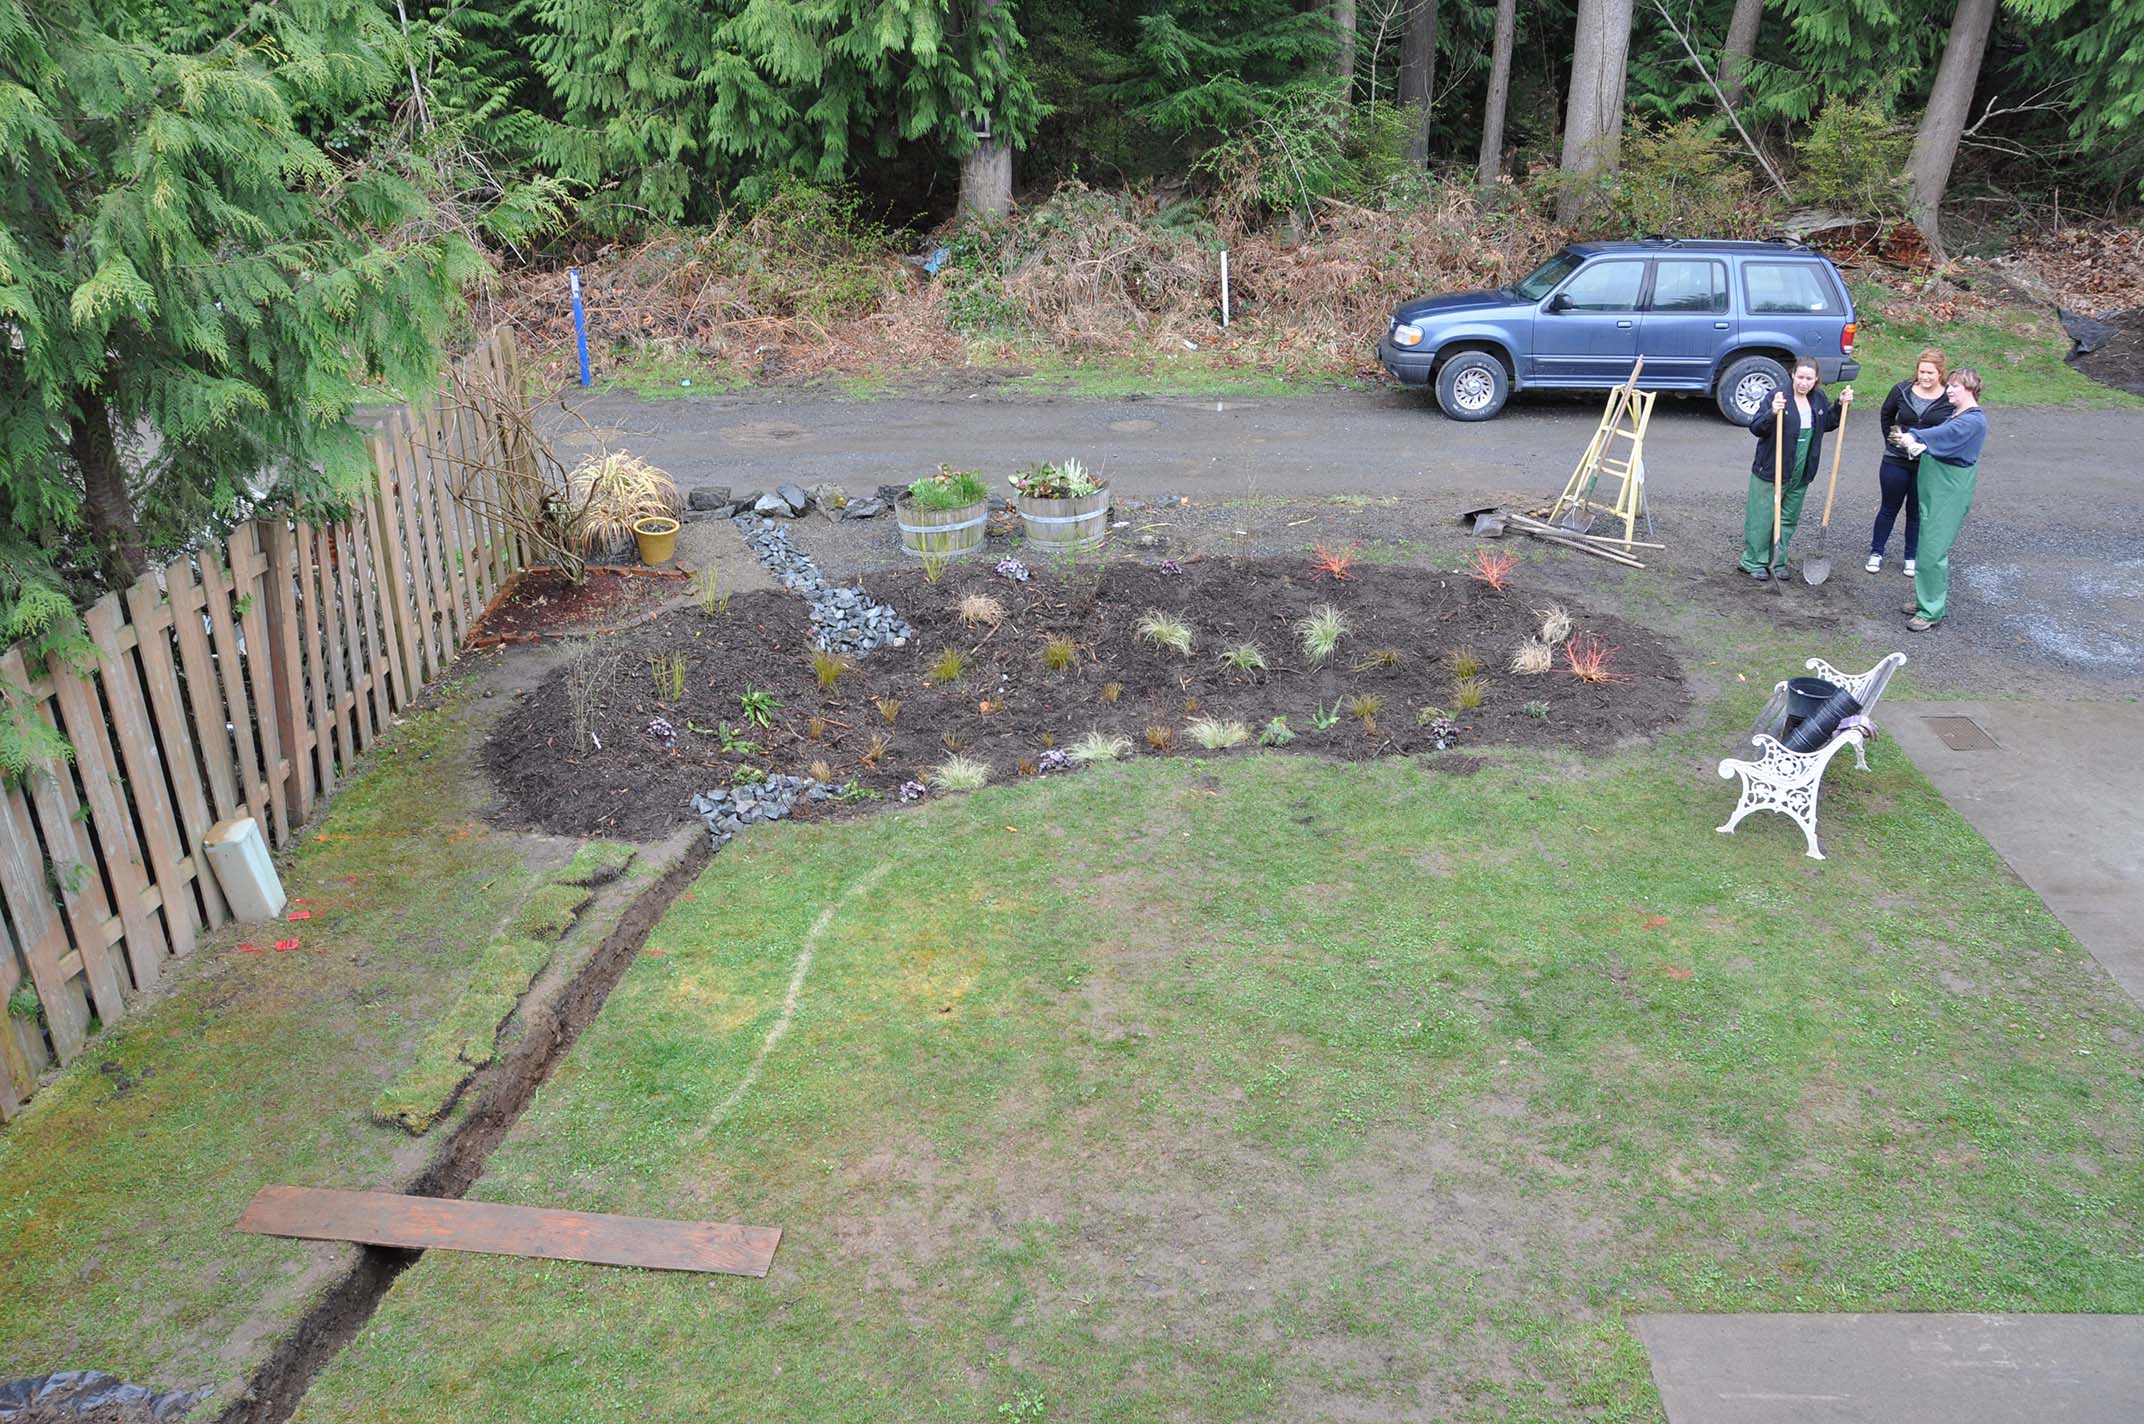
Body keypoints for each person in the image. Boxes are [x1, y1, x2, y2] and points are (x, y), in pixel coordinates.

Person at [1738, 358, 1853, 581]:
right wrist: (1772, 412)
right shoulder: (1778, 397)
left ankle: (1777, 560)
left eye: (1809, 379)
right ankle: (1753, 561)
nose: (1804, 383)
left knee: (1788, 518)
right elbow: (1756, 428)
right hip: (1772, 467)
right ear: (1792, 375)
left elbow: (1826, 423)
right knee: (1762, 517)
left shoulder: (1817, 398)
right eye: (1800, 377)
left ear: (1816, 379)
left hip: (1802, 469)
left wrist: (1839, 405)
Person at [1895, 368, 1987, 631]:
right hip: (1936, 486)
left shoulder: (1972, 420)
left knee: (1933, 549)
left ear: (1969, 388)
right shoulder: (1957, 414)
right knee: (1927, 543)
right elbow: (1943, 436)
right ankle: (1926, 599)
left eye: (1955, 386)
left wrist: (1916, 436)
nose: (1949, 390)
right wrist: (1919, 445)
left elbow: (1947, 435)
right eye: (1949, 386)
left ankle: (1931, 610)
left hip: (1949, 490)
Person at [1867, 347, 1953, 576]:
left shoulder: (1949, 398)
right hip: (1896, 460)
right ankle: (1876, 552)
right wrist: (1891, 439)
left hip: (1927, 463)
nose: (1925, 377)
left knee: (1915, 511)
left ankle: (1911, 556)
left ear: (1940, 373)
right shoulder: (1902, 390)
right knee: (1888, 507)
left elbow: (1951, 430)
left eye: (1931, 373)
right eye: (1922, 371)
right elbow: (1886, 413)